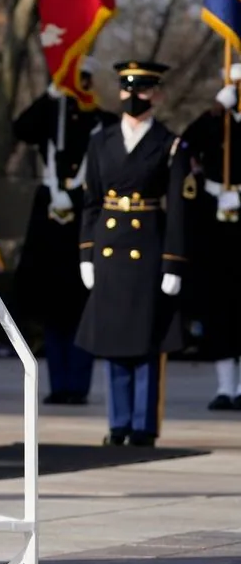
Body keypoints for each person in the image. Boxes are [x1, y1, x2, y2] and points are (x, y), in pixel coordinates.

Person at [76, 60, 191, 447]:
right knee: (114, 341)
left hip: (148, 248)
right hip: (110, 251)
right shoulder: (101, 140)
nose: (132, 97)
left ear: (155, 94)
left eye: (141, 90)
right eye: (127, 89)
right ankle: (118, 422)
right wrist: (87, 254)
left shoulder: (170, 144)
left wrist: (173, 261)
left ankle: (143, 426)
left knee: (145, 343)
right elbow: (91, 202)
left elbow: (177, 207)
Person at [13, 66, 116, 404]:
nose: (79, 87)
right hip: (50, 220)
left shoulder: (103, 121)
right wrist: (49, 96)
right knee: (53, 310)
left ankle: (78, 384)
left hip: (87, 215)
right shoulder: (51, 115)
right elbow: (21, 129)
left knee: (82, 309)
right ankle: (59, 384)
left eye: (83, 80)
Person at [180, 63, 241, 410]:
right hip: (217, 220)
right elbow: (185, 145)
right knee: (219, 307)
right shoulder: (215, 122)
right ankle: (224, 387)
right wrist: (216, 112)